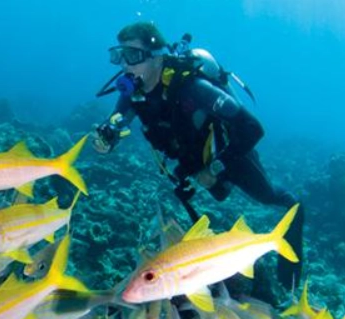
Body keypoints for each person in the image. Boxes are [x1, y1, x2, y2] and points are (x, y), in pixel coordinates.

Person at [93, 21, 303, 289]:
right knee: (218, 196)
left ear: (157, 56)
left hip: (230, 152)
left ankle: (290, 255)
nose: (125, 65)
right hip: (193, 163)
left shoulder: (192, 88)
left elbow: (252, 129)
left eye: (132, 56)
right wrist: (106, 141)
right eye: (119, 56)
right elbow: (117, 122)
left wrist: (214, 169)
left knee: (269, 196)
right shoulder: (134, 93)